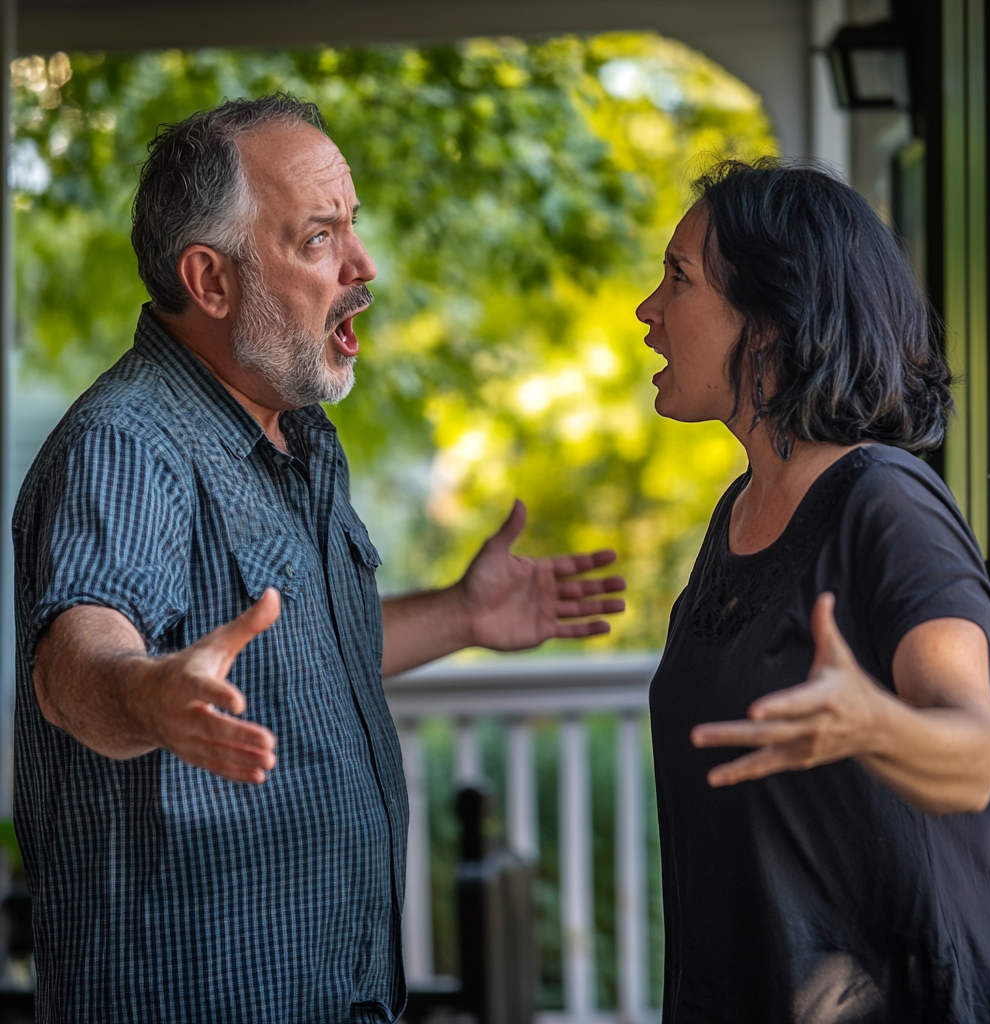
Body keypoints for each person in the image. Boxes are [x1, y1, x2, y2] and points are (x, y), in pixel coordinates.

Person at [14, 95, 626, 1024]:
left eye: (355, 229)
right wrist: (150, 695)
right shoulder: (129, 443)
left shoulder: (293, 432)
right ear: (209, 281)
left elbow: (296, 656)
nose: (363, 266)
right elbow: (75, 661)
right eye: (318, 238)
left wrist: (462, 614)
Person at [637, 160, 990, 1024]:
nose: (648, 310)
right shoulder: (737, 513)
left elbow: (973, 753)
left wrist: (873, 722)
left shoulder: (885, 500)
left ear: (769, 324)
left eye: (678, 278)